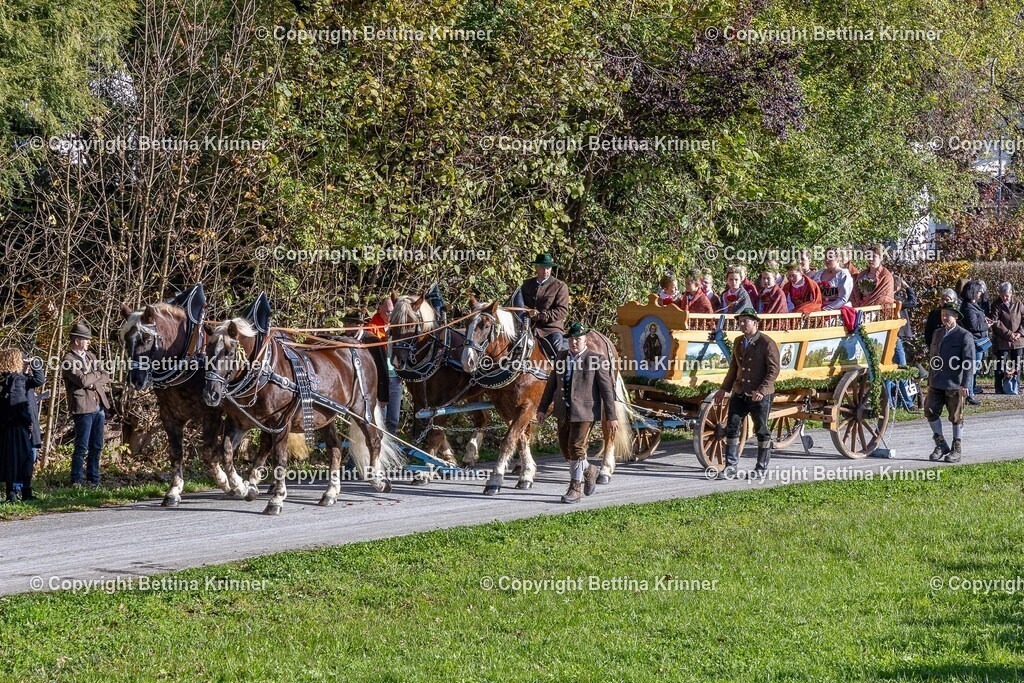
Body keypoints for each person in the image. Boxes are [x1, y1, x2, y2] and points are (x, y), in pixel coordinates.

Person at [537, 322, 618, 504]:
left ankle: (575, 488)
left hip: (585, 412)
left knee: (576, 448)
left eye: (578, 340)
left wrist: (611, 416)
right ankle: (589, 470)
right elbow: (551, 385)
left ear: (585, 341)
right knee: (566, 450)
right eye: (572, 340)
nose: (574, 343)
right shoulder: (561, 357)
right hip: (563, 410)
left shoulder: (596, 359)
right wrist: (542, 408)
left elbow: (607, 391)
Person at [713, 309, 780, 479]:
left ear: (755, 323)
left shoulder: (767, 343)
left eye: (745, 321)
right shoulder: (737, 342)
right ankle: (730, 467)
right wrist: (724, 389)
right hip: (740, 392)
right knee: (732, 427)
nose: (742, 324)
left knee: (762, 430)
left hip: (759, 395)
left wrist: (762, 391)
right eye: (740, 321)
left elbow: (773, 371)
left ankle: (761, 468)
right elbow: (734, 368)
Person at [61, 321, 111, 487]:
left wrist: (92, 378)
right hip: (83, 407)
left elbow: (106, 375)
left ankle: (93, 480)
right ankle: (76, 480)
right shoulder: (68, 359)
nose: (89, 342)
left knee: (96, 446)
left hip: (99, 406)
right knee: (81, 446)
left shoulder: (90, 356)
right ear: (77, 341)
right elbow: (82, 380)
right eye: (86, 339)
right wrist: (93, 377)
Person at [925, 303, 975, 462]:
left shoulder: (964, 335)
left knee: (956, 416)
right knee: (930, 410)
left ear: (956, 317)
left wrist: (966, 384)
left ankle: (956, 447)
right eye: (943, 314)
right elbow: (933, 357)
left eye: (948, 314)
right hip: (936, 381)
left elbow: (968, 361)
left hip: (955, 383)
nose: (944, 317)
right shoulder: (937, 333)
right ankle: (940, 443)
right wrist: (929, 378)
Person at [0, 348, 43, 502]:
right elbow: (18, 403)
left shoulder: (5, 380)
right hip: (18, 426)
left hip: (7, 426)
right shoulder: (17, 380)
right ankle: (19, 493)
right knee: (23, 460)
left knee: (11, 460)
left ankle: (15, 493)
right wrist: (27, 422)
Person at [518, 253, 570, 354]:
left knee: (557, 350)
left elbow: (562, 310)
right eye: (542, 268)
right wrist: (527, 312)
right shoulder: (526, 284)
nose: (545, 271)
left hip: (550, 329)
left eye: (548, 268)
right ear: (536, 268)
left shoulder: (560, 286)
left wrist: (541, 316)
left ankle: (562, 368)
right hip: (527, 327)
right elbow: (519, 304)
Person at [367, 298, 402, 434]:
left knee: (393, 419)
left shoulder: (398, 325)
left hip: (396, 377)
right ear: (379, 309)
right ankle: (379, 448)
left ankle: (391, 446)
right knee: (380, 418)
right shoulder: (371, 327)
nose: (389, 316)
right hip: (380, 379)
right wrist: (385, 339)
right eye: (387, 312)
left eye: (392, 312)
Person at [959, 280, 989, 405]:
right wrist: (986, 325)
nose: (981, 294)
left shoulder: (972, 305)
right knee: (971, 369)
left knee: (973, 369)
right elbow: (974, 326)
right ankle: (969, 394)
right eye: (979, 292)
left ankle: (970, 393)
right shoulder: (967, 307)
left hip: (977, 341)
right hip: (974, 342)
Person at [990, 282, 1024, 394]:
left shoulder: (1018, 303)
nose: (1005, 298)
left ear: (1011, 293)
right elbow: (995, 322)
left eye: (1007, 295)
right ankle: (999, 388)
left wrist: (1019, 332)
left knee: (1017, 363)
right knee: (1000, 364)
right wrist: (1009, 334)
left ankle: (1015, 386)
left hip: (1018, 340)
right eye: (1002, 295)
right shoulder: (996, 304)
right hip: (1002, 339)